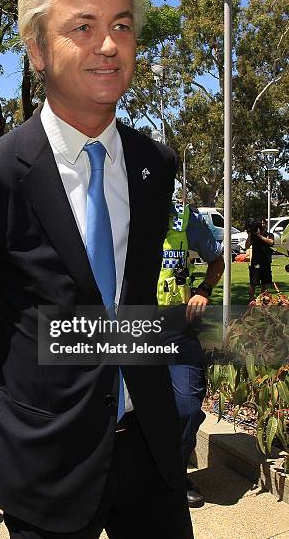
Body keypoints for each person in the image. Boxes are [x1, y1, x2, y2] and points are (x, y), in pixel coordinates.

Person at [0, 0, 192, 539]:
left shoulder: (155, 166)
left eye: (122, 25)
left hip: (150, 451)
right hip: (45, 460)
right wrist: (40, 368)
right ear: (38, 49)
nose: (108, 45)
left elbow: (133, 296)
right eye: (84, 26)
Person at [157, 203, 224, 508]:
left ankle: (174, 473)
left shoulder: (186, 220)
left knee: (187, 404)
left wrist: (204, 290)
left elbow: (217, 261)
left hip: (178, 328)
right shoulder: (121, 211)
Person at [245, 218, 274, 299]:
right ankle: (251, 300)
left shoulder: (269, 235)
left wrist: (260, 236)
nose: (262, 225)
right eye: (260, 223)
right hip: (256, 262)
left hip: (266, 262)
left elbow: (271, 242)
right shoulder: (254, 236)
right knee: (253, 282)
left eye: (263, 223)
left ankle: (262, 300)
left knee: (265, 283)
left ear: (266, 224)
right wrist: (249, 235)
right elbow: (247, 246)